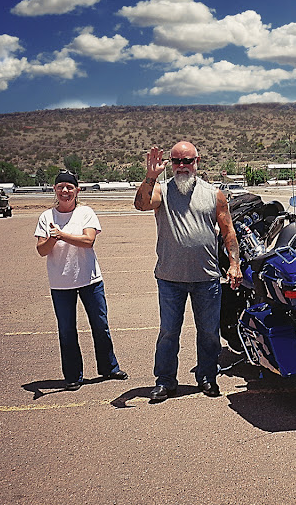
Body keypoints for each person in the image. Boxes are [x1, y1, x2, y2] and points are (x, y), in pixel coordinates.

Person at [134, 142, 241, 402]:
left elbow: (228, 232)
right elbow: (140, 204)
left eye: (187, 161)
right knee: (169, 332)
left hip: (206, 278)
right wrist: (150, 176)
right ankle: (165, 381)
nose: (182, 166)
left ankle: (207, 377)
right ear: (170, 163)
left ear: (197, 162)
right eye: (176, 161)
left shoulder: (214, 194)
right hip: (170, 278)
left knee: (208, 333)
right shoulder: (162, 190)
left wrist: (234, 264)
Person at [35, 171, 127, 391]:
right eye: (60, 187)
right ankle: (73, 376)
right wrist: (52, 238)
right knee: (67, 330)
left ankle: (109, 367)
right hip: (61, 283)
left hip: (90, 280)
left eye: (69, 187)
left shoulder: (86, 212)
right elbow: (41, 249)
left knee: (100, 325)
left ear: (77, 190)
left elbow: (88, 241)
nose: (65, 191)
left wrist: (61, 235)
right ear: (54, 190)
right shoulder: (46, 217)